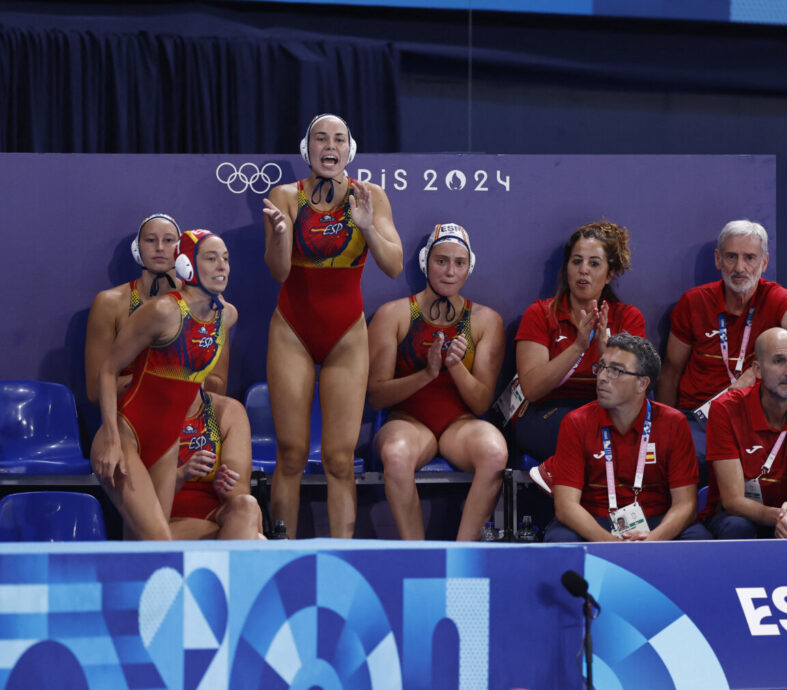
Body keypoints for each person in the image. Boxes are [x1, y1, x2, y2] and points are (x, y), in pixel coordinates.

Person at [262, 113, 403, 538]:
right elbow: (278, 272)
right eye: (321, 138)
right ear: (307, 149)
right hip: (293, 330)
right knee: (291, 454)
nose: (330, 146)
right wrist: (281, 235)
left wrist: (367, 228)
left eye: (339, 139)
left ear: (350, 150)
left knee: (340, 460)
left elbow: (394, 266)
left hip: (346, 335)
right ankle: (280, 551)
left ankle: (343, 554)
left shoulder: (370, 196)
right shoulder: (286, 196)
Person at [91, 230, 237, 540]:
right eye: (211, 258)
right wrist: (112, 442)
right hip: (126, 436)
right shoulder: (163, 311)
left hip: (168, 445)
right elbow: (108, 370)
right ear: (186, 265)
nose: (222, 266)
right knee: (159, 542)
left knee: (142, 545)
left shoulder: (225, 317)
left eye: (225, 259)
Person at [367, 224, 507, 540]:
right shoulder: (394, 315)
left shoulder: (485, 321)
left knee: (495, 452)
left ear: (469, 267)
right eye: (441, 261)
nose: (450, 271)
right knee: (396, 454)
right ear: (425, 262)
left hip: (461, 425)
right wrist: (427, 374)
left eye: (459, 263)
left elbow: (480, 403)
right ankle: (418, 554)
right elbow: (376, 396)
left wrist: (454, 367)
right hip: (408, 422)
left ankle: (462, 554)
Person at [655, 220, 787, 478]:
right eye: (731, 257)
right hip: (700, 418)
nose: (739, 267)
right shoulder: (695, 302)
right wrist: (662, 428)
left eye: (750, 258)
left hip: (753, 419)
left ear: (764, 263)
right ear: (718, 259)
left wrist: (754, 373)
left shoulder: (774, 297)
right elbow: (671, 372)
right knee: (682, 457)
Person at [543, 334, 708, 542]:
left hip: (656, 522)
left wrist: (653, 538)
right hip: (594, 520)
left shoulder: (673, 423)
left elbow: (686, 504)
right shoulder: (576, 422)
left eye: (616, 370)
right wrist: (612, 545)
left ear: (642, 383)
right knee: (561, 540)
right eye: (601, 367)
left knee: (697, 538)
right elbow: (566, 506)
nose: (602, 377)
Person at [512, 221, 645, 462]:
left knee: (618, 432)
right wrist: (577, 347)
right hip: (547, 412)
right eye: (577, 261)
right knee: (582, 431)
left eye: (594, 263)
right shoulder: (541, 314)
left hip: (606, 409)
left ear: (609, 274)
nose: (583, 270)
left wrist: (606, 354)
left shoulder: (628, 318)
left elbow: (634, 393)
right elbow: (531, 389)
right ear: (567, 268)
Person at [702, 328, 787, 539]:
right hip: (740, 515)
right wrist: (779, 517)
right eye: (778, 361)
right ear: (757, 370)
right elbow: (733, 501)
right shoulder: (726, 409)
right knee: (738, 527)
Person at [84, 214, 229, 403]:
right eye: (150, 240)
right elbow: (96, 391)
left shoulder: (209, 301)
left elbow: (219, 386)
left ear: (181, 250)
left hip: (189, 413)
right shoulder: (110, 303)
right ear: (137, 248)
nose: (160, 247)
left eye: (168, 240)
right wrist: (164, 378)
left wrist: (160, 379)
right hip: (131, 413)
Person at [171, 389, 263, 539]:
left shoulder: (226, 411)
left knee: (247, 505)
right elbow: (143, 497)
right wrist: (181, 475)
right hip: (162, 518)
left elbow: (239, 492)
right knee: (255, 538)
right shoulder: (149, 410)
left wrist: (224, 486)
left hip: (215, 515)